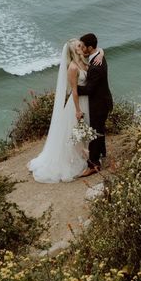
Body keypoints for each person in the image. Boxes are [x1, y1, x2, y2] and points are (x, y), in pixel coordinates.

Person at [28, 39, 98, 183]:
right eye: (79, 46)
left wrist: (101, 52)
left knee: (84, 130)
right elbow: (74, 91)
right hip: (77, 103)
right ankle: (73, 159)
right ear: (73, 50)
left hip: (87, 101)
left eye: (82, 45)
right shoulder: (72, 67)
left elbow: (97, 52)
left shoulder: (84, 62)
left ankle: (86, 156)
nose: (82, 47)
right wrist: (78, 110)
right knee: (74, 132)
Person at [76, 33, 113, 177]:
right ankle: (102, 154)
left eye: (83, 47)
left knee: (95, 133)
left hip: (99, 104)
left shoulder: (96, 67)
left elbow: (89, 89)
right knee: (100, 130)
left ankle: (93, 164)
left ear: (90, 48)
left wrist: (72, 89)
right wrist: (101, 51)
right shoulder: (98, 56)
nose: (81, 49)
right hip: (103, 101)